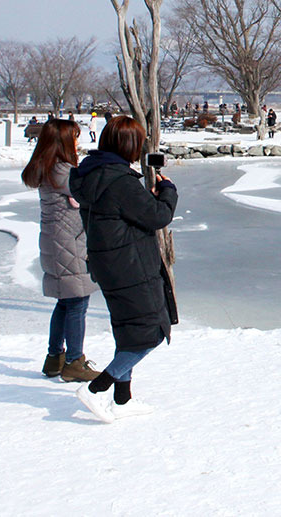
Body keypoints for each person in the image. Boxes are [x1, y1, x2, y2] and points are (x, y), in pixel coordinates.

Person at [70, 115, 178, 422]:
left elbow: (125, 213)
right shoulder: (120, 182)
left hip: (107, 264)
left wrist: (144, 199)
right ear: (129, 145)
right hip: (130, 266)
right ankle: (96, 388)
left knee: (128, 330)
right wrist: (168, 191)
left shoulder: (92, 174)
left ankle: (123, 398)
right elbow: (157, 216)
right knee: (151, 332)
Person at [22, 119, 101, 383]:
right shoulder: (62, 170)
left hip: (56, 241)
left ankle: (55, 357)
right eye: (75, 137)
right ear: (64, 141)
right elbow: (92, 192)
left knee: (66, 301)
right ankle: (74, 361)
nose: (78, 142)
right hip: (69, 242)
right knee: (78, 301)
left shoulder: (47, 166)